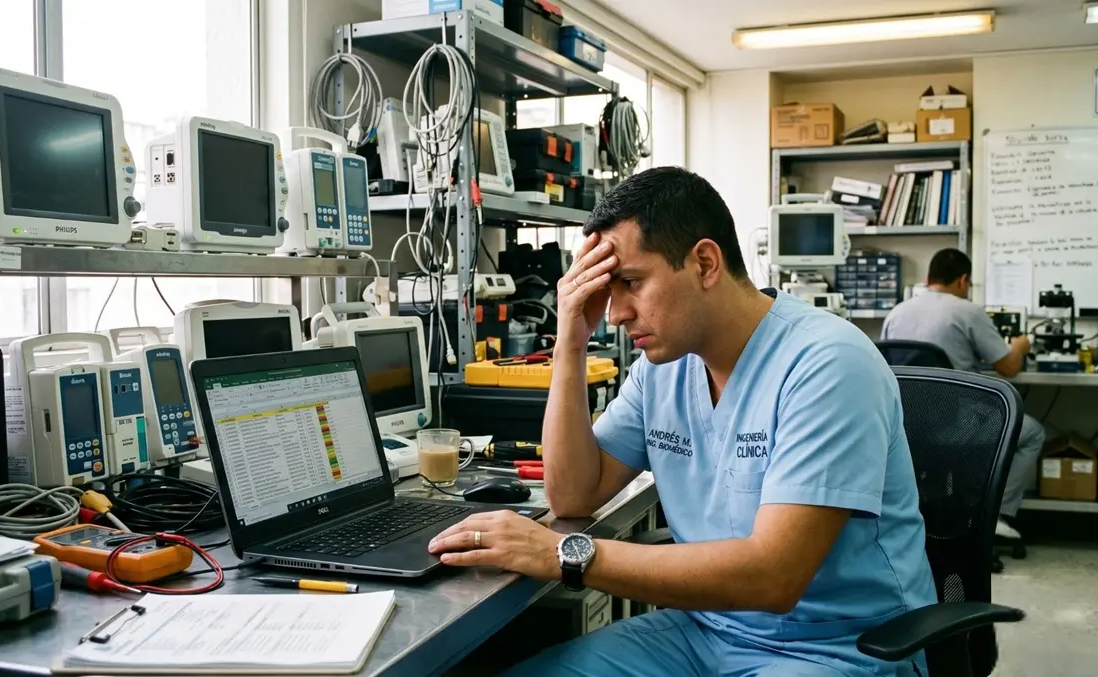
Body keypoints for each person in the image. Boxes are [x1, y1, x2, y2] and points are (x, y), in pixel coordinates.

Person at [429, 167, 936, 677]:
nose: (616, 314)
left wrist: (565, 553)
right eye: (608, 288)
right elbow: (574, 495)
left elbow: (774, 579)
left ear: (705, 263)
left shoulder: (827, 362)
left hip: (840, 649)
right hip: (707, 632)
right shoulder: (662, 371)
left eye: (630, 282)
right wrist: (570, 343)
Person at [880, 247, 1045, 541]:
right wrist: (1020, 345)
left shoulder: (897, 312)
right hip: (955, 421)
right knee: (1031, 433)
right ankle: (1000, 516)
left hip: (906, 423)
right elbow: (1008, 367)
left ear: (928, 278)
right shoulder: (967, 311)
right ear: (963, 280)